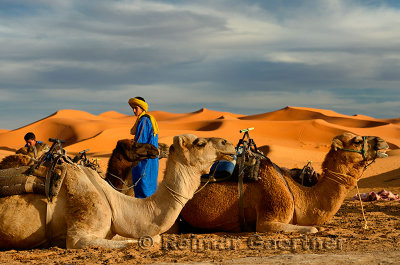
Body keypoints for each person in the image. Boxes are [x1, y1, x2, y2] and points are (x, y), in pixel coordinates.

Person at [128, 97, 159, 198]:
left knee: (143, 187)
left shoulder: (144, 120)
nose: (134, 111)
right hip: (150, 159)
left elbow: (140, 142)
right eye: (133, 108)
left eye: (135, 108)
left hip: (144, 160)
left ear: (142, 108)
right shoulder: (146, 119)